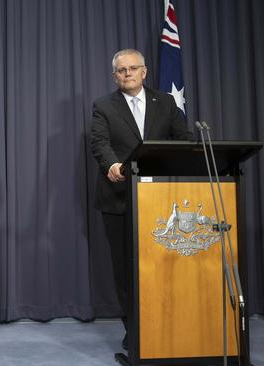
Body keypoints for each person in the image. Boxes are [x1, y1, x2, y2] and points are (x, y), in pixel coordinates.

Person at [90, 48, 193, 351]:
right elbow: (100, 142)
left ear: (144, 72)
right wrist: (111, 165)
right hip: (119, 198)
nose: (128, 74)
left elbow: (183, 139)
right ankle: (135, 331)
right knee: (126, 270)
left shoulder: (167, 103)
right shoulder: (103, 105)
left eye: (133, 68)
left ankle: (165, 326)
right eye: (122, 70)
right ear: (115, 76)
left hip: (160, 199)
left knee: (160, 267)